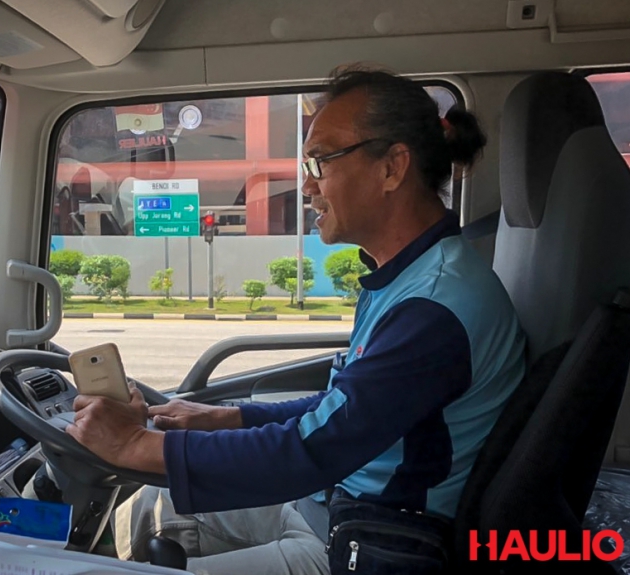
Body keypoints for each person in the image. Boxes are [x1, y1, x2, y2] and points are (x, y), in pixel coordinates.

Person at [65, 65, 526, 575]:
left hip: (379, 540)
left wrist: (133, 444)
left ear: (393, 167)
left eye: (321, 161)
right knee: (158, 509)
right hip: (337, 501)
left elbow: (315, 449)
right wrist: (224, 417)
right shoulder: (411, 277)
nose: (307, 184)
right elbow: (344, 407)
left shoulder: (434, 309)